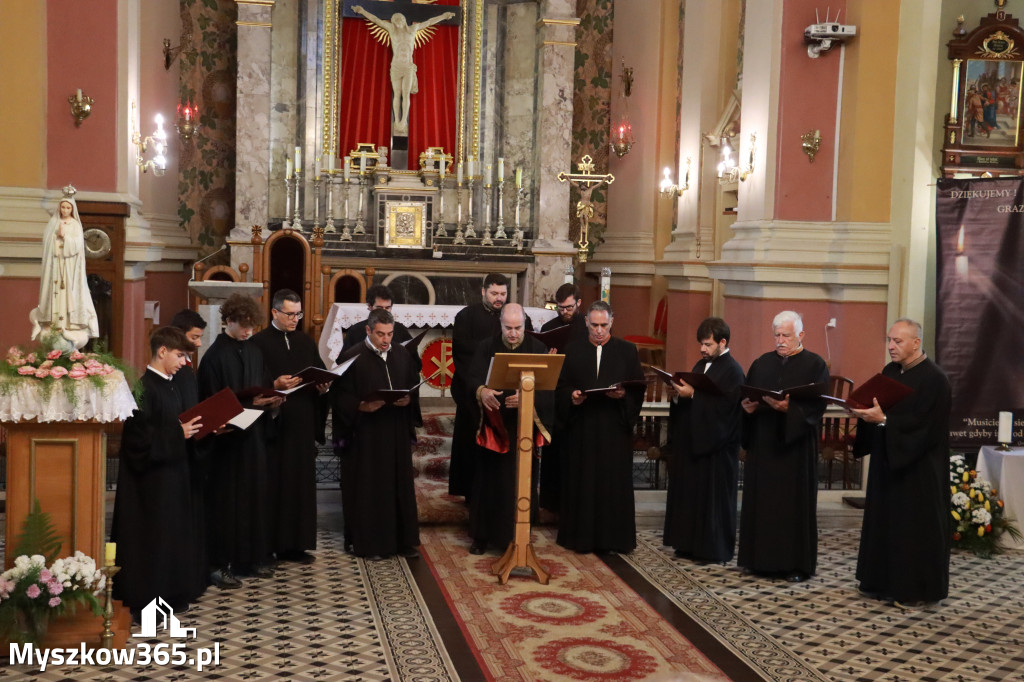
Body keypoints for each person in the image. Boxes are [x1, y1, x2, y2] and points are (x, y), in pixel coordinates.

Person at [850, 319, 952, 606]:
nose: (891, 346)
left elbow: (926, 428)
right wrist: (865, 414)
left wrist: (883, 420)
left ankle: (914, 590)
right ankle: (878, 580)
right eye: (890, 340)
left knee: (912, 529)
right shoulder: (890, 372)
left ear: (916, 343)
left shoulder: (935, 380)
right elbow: (879, 407)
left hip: (918, 470)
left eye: (898, 341)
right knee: (884, 523)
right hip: (888, 464)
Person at [111, 327, 204, 620]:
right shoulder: (143, 388)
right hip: (150, 484)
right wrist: (178, 433)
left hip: (174, 475)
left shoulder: (173, 384)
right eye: (180, 355)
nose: (184, 362)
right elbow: (137, 440)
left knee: (172, 536)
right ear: (162, 351)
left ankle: (171, 594)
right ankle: (146, 602)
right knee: (153, 541)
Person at [196, 294, 284, 587]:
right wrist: (247, 403)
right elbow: (210, 401)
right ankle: (220, 564)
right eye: (242, 325)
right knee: (227, 505)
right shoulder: (214, 357)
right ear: (228, 321)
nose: (248, 331)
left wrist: (270, 401)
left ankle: (251, 559)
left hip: (254, 436)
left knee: (254, 500)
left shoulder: (254, 351)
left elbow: (263, 384)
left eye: (252, 326)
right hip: (227, 444)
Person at [738, 311, 829, 582]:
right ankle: (758, 561)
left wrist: (791, 409)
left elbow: (818, 406)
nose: (780, 341)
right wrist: (747, 409)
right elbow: (748, 395)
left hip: (795, 449)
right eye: (776, 335)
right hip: (764, 444)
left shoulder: (815, 365)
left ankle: (795, 566)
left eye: (786, 335)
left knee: (792, 507)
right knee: (762, 503)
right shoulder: (761, 363)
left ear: (800, 335)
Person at [555, 300, 645, 554]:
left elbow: (637, 389)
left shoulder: (627, 351)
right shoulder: (572, 350)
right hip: (582, 429)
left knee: (611, 484)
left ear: (612, 323)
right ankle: (579, 537)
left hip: (613, 431)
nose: (598, 330)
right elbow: (559, 386)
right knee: (581, 482)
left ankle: (614, 540)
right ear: (586, 322)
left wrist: (624, 396)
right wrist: (571, 396)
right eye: (594, 325)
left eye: (604, 325)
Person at [331, 308, 421, 559]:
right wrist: (360, 405)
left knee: (398, 485)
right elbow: (339, 398)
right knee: (371, 488)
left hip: (395, 433)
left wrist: (408, 400)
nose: (386, 340)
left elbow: (412, 386)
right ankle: (370, 544)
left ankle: (403, 541)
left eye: (390, 334)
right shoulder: (351, 357)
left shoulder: (402, 354)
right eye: (380, 334)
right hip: (366, 437)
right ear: (368, 331)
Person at [250, 290, 329, 565]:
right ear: (274, 313)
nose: (295, 319)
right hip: (275, 426)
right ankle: (270, 545)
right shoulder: (258, 343)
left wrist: (323, 387)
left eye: (298, 314)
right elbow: (251, 384)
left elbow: (318, 372)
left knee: (300, 485)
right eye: (290, 314)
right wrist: (274, 385)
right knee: (274, 485)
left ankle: (297, 544)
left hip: (303, 424)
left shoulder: (306, 341)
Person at [466, 304, 551, 554]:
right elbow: (471, 379)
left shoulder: (537, 349)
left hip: (522, 430)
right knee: (488, 482)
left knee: (519, 483)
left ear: (525, 324)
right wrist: (483, 392)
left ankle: (518, 538)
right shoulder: (486, 347)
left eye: (518, 328)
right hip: (494, 427)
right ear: (500, 324)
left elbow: (548, 389)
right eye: (508, 328)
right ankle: (482, 536)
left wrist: (528, 399)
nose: (513, 333)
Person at [663, 317, 745, 564]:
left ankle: (712, 549)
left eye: (708, 344)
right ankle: (687, 543)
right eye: (701, 343)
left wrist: (694, 395)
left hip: (718, 449)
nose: (702, 349)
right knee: (691, 495)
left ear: (722, 342)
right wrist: (678, 396)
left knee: (713, 500)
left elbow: (727, 409)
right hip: (695, 444)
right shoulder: (700, 365)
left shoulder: (733, 370)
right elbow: (693, 399)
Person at [449, 274, 509, 499]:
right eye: (494, 293)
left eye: (503, 294)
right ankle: (471, 493)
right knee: (471, 444)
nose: (499, 299)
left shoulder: (512, 317)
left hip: (504, 392)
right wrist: (479, 386)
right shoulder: (466, 316)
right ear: (483, 291)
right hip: (472, 391)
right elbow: (462, 354)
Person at [352, 5, 455, 134]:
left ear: (404, 20)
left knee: (405, 94)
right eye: (395, 20)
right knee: (397, 93)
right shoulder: (391, 29)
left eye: (400, 19)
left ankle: (403, 121)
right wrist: (362, 11)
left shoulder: (413, 29)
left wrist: (443, 16)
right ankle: (397, 121)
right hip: (396, 66)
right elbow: (376, 20)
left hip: (407, 67)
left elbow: (429, 22)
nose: (398, 22)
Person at [168, 307, 208, 593]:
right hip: (179, 454)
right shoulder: (172, 375)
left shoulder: (185, 369)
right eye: (194, 338)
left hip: (192, 445)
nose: (198, 344)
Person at [538, 283, 588, 514]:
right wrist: (548, 359)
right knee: (554, 449)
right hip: (556, 396)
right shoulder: (549, 328)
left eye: (568, 307)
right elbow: (541, 368)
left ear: (578, 303)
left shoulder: (589, 327)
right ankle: (551, 501)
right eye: (560, 308)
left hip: (581, 394)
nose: (564, 312)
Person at [32, 195, 98, 349]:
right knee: (54, 292)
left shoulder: (75, 225)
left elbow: (77, 245)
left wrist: (65, 237)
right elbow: (47, 243)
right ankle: (53, 322)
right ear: (59, 208)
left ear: (72, 209)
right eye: (63, 207)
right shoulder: (53, 223)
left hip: (69, 266)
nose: (65, 210)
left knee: (68, 293)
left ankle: (67, 323)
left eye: (68, 208)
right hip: (55, 265)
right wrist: (55, 239)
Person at [340, 284, 413, 355]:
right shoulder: (355, 331)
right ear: (369, 306)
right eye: (379, 308)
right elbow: (344, 361)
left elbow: (413, 360)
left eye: (387, 308)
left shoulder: (400, 329)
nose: (383, 311)